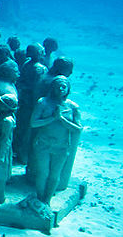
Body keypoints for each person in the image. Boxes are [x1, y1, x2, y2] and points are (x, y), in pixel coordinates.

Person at [30, 76, 81, 207]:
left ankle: (47, 201)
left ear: (68, 89)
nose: (60, 88)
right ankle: (39, 199)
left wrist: (62, 120)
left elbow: (78, 129)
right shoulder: (43, 102)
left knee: (55, 174)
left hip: (62, 146)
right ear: (52, 87)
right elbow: (33, 123)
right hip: (43, 143)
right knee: (43, 172)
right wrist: (52, 118)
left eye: (64, 86)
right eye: (58, 85)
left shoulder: (73, 107)